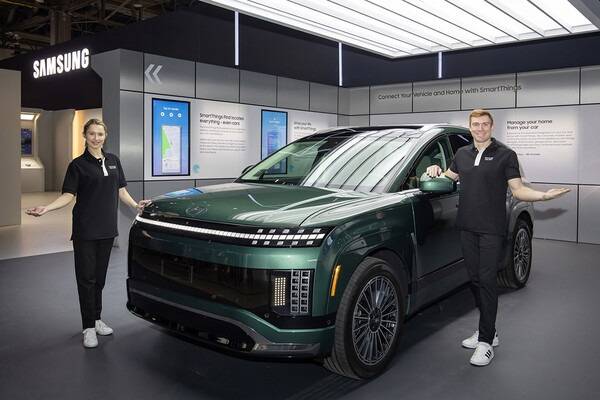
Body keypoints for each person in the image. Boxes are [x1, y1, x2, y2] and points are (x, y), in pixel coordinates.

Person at [426, 109, 569, 367]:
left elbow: (519, 190)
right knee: (474, 279)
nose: (480, 128)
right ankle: (488, 330)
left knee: (487, 280)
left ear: (491, 127)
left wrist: (544, 196)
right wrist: (434, 169)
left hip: (491, 229)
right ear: (470, 127)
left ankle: (486, 342)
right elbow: (448, 178)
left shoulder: (506, 155)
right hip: (466, 227)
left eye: (484, 124)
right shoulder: (461, 154)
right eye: (475, 124)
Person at [26, 118, 149, 349]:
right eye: (92, 133)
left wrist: (135, 205)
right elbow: (68, 195)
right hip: (85, 230)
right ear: (85, 135)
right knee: (86, 279)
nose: (96, 138)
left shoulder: (113, 161)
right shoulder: (77, 165)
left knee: (99, 279)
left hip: (107, 229)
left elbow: (121, 191)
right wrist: (47, 208)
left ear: (105, 136)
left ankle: (97, 319)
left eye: (100, 134)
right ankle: (88, 327)